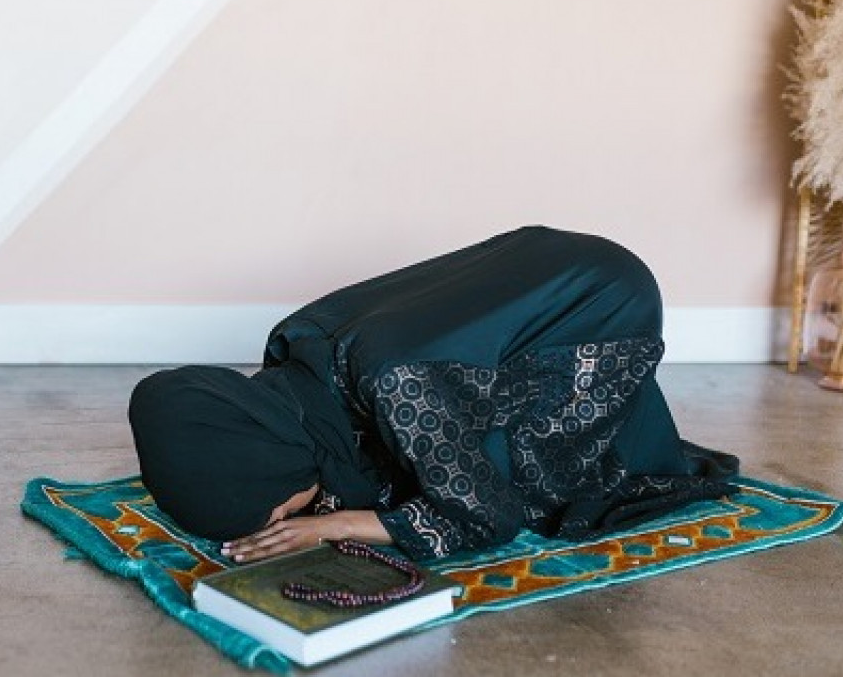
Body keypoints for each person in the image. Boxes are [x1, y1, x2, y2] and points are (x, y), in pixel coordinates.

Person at [129, 226, 738, 564]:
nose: (287, 519)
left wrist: (336, 525)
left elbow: (488, 516)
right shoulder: (296, 358)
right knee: (430, 456)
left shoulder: (400, 385)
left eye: (277, 512)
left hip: (602, 298)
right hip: (548, 260)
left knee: (526, 488)